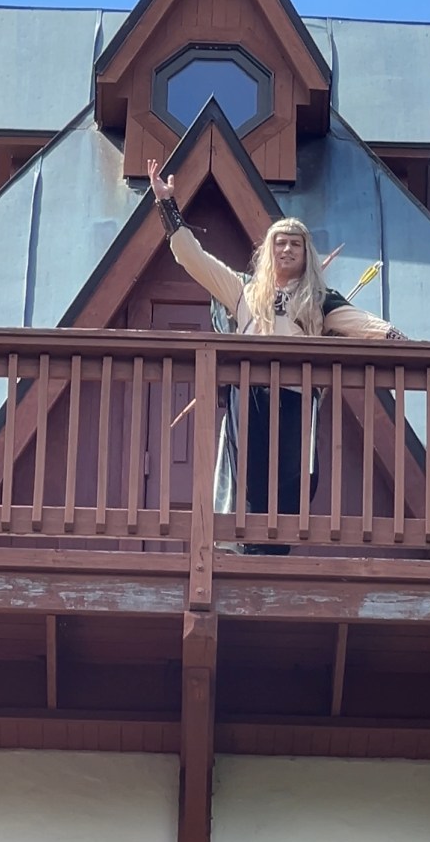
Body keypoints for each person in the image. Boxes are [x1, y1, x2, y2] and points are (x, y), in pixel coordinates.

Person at [147, 159, 406, 554]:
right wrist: (167, 205)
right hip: (249, 394)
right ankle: (247, 549)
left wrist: (405, 341)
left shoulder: (319, 300)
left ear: (306, 253)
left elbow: (364, 324)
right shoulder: (242, 290)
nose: (287, 249)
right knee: (248, 475)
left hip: (295, 397)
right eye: (280, 243)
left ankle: (277, 549)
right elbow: (192, 257)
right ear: (269, 251)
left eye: (295, 243)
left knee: (292, 477)